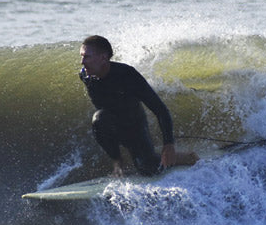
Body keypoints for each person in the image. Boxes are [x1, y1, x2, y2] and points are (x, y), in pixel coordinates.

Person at [79, 35, 198, 177]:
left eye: (87, 57)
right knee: (99, 119)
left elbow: (160, 110)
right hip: (111, 124)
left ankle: (186, 157)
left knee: (149, 168)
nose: (82, 62)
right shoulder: (85, 76)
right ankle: (117, 162)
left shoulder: (127, 75)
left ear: (103, 58)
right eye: (82, 56)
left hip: (134, 124)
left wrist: (169, 144)